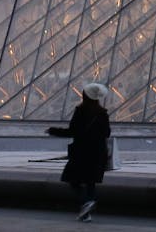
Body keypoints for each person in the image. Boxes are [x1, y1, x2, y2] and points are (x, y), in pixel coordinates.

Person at [47, 81, 111, 222]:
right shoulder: (102, 113)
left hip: (82, 151)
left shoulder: (81, 111)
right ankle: (86, 213)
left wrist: (53, 131)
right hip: (98, 152)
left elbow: (72, 131)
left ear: (84, 96)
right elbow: (107, 133)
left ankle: (86, 202)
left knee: (72, 179)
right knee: (90, 182)